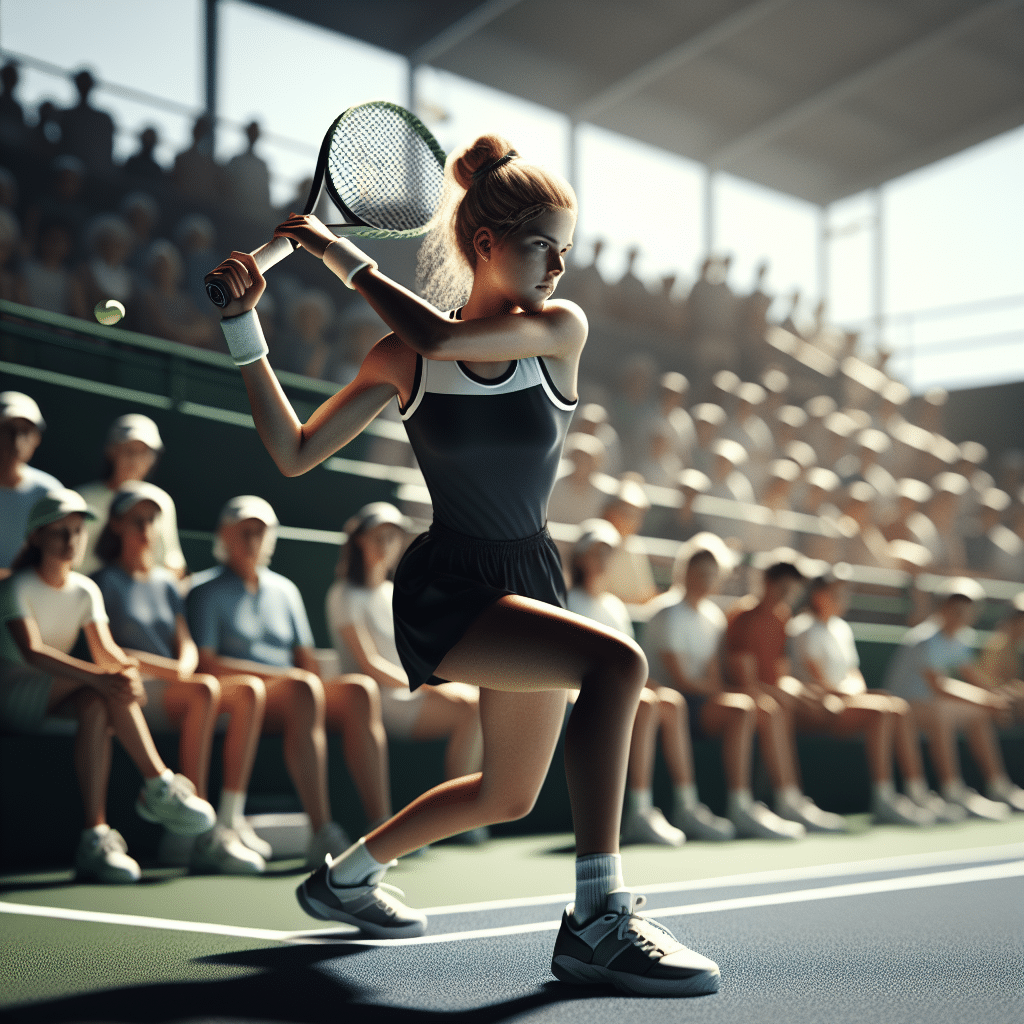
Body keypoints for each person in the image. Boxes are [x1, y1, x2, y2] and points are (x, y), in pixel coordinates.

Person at [205, 133, 720, 995]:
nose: (558, 265)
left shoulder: (559, 328)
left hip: (532, 576)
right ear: (486, 244)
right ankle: (598, 919)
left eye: (566, 248)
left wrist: (340, 257)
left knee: (507, 795)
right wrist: (239, 324)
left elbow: (448, 337)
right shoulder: (400, 355)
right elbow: (293, 453)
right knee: (616, 661)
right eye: (539, 245)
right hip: (449, 587)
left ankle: (344, 878)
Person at [0, 489, 215, 882]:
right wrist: (101, 676)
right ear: (36, 538)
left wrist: (124, 674)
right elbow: (32, 654)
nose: (71, 541)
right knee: (101, 689)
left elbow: (107, 651)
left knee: (99, 703)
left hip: (57, 693)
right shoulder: (14, 588)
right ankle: (158, 784)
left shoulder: (86, 590)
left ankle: (94, 836)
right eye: (60, 531)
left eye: (78, 530)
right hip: (11, 697)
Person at [187, 495, 391, 868]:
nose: (253, 540)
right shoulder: (204, 591)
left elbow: (306, 661)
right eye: (244, 531)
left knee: (360, 691)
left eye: (260, 532)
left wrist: (300, 679)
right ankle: (321, 831)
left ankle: (383, 825)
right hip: (245, 696)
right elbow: (207, 665)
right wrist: (291, 679)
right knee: (302, 688)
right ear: (225, 536)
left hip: (298, 694)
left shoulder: (286, 591)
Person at [93, 482, 267, 873]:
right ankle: (194, 830)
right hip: (131, 693)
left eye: (152, 520)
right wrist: (173, 670)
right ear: (117, 525)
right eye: (137, 520)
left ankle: (219, 822)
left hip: (171, 687)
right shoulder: (103, 581)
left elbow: (183, 641)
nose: (146, 528)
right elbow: (110, 652)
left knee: (247, 692)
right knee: (205, 687)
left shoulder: (166, 584)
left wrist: (182, 667)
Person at [567, 521, 734, 845]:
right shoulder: (566, 598)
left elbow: (627, 664)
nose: (603, 559)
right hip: (577, 694)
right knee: (645, 704)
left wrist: (649, 684)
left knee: (670, 702)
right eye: (597, 551)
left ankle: (687, 806)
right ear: (581, 556)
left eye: (609, 553)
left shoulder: (613, 606)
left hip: (613, 692)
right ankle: (639, 812)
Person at [327, 501, 485, 834]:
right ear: (359, 541)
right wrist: (429, 684)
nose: (386, 544)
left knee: (479, 703)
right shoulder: (343, 595)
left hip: (410, 691)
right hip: (378, 702)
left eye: (392, 536)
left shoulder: (393, 592)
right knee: (471, 705)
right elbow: (369, 664)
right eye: (377, 536)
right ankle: (456, 816)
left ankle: (459, 812)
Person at [645, 540, 806, 840]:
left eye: (711, 572)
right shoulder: (668, 612)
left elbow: (711, 676)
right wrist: (731, 690)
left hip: (699, 703)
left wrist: (732, 691)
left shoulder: (712, 616)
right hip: (670, 705)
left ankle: (763, 802)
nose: (705, 578)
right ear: (685, 571)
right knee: (744, 707)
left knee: (756, 709)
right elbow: (683, 682)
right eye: (699, 571)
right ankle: (717, 805)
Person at [788, 573, 944, 825]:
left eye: (845, 593)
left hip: (847, 700)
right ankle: (883, 797)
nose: (843, 599)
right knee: (882, 711)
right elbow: (818, 680)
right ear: (818, 596)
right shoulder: (803, 628)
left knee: (898, 708)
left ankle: (917, 791)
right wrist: (852, 695)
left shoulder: (841, 628)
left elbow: (853, 674)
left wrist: (856, 693)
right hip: (818, 706)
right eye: (836, 593)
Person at [723, 560, 849, 832]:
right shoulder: (744, 618)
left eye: (792, 589)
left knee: (811, 704)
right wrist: (786, 694)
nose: (786, 594)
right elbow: (746, 682)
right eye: (782, 587)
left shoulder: (782, 617)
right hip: (744, 696)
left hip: (772, 694)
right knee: (775, 708)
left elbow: (781, 675)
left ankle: (789, 797)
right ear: (766, 583)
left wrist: (808, 693)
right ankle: (786, 798)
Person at [883, 578, 1024, 818]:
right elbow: (940, 686)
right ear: (943, 608)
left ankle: (998, 785)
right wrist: (986, 699)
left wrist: (997, 697)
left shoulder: (961, 638)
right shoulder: (925, 639)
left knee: (976, 715)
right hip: (903, 709)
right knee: (944, 711)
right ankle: (952, 790)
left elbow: (973, 677)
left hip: (932, 707)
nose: (961, 614)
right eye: (955, 607)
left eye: (967, 608)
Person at [77, 414, 185, 578]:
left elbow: (172, 563)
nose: (135, 459)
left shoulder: (162, 501)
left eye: (143, 452)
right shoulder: (83, 499)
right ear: (111, 451)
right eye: (129, 450)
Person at [0, 392, 62, 575]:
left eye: (26, 431)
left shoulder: (50, 492)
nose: (17, 441)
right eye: (8, 430)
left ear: (37, 439)